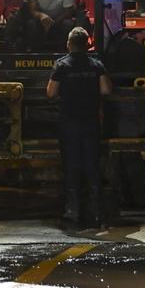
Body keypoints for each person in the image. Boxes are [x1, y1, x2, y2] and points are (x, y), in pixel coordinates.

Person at [47, 27, 112, 230]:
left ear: (68, 45)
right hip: (91, 123)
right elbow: (106, 89)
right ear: (87, 44)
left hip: (69, 123)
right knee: (92, 165)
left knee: (71, 165)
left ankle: (73, 211)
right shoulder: (96, 65)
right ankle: (97, 212)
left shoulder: (62, 65)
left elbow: (51, 93)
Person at [12, 0, 79, 51]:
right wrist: (41, 15)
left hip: (60, 19)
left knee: (68, 25)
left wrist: (52, 23)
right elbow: (32, 11)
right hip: (38, 19)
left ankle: (63, 53)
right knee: (31, 25)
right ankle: (34, 53)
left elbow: (68, 12)